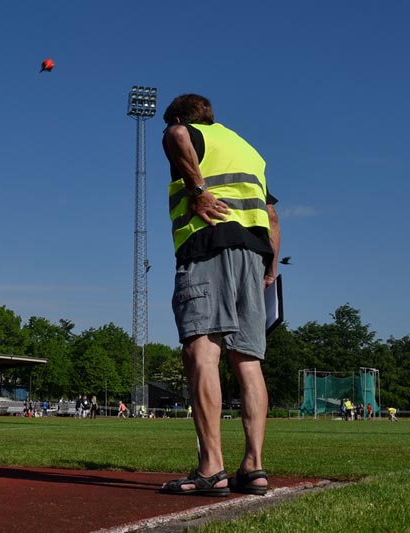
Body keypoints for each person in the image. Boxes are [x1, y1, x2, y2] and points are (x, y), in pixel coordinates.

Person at [158, 94, 280, 498]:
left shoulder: (184, 130)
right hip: (253, 254)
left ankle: (211, 467)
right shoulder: (248, 150)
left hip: (208, 245)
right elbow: (272, 215)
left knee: (201, 352)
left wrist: (197, 189)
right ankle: (254, 467)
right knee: (248, 361)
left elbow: (176, 135)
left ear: (180, 115)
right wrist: (271, 267)